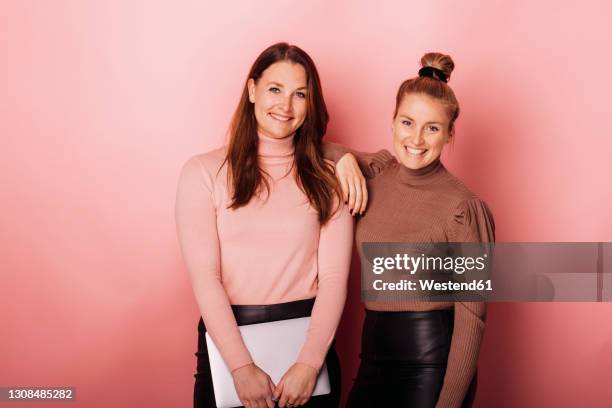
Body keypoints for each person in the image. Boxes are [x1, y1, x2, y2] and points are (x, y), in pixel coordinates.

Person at [175, 42, 353, 408]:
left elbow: (335, 280)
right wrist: (240, 367)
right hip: (227, 345)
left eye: (299, 94)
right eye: (275, 89)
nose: (285, 106)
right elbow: (205, 276)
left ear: (310, 103)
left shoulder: (330, 178)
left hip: (308, 348)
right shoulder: (203, 173)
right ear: (252, 90)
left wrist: (309, 363)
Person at [323, 52, 495, 408]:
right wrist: (343, 159)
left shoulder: (464, 208)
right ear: (393, 121)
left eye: (432, 127)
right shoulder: (377, 171)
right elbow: (309, 148)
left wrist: (448, 402)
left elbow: (472, 318)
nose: (416, 138)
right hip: (372, 358)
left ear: (449, 134)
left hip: (431, 364)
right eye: (407, 122)